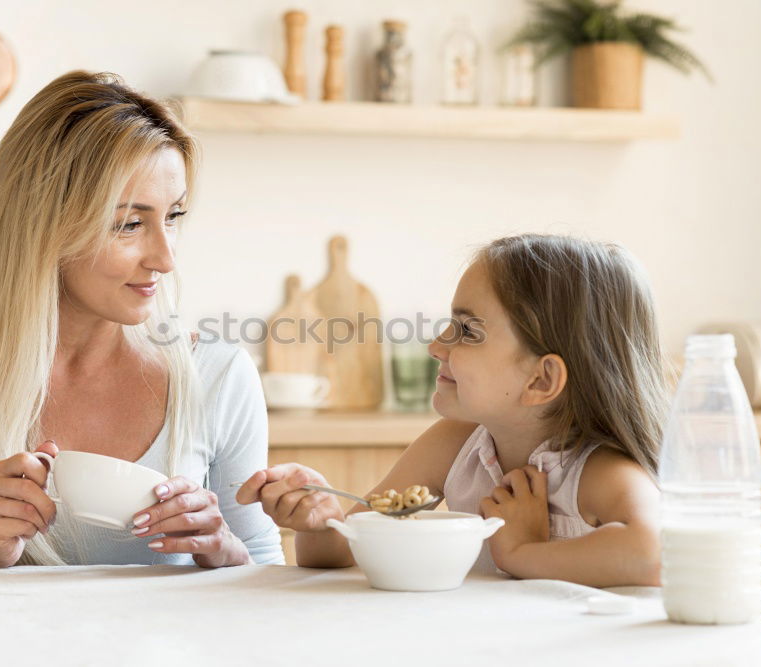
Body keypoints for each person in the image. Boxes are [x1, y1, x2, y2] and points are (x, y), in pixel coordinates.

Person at [0, 71, 283, 569]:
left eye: (174, 216)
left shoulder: (219, 376)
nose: (165, 260)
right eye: (129, 223)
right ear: (43, 225)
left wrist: (224, 552)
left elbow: (263, 585)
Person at [238, 234, 667, 587]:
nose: (436, 344)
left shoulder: (598, 471)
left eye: (467, 331)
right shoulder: (455, 445)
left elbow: (655, 555)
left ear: (540, 380)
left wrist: (523, 554)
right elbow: (348, 548)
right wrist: (321, 521)